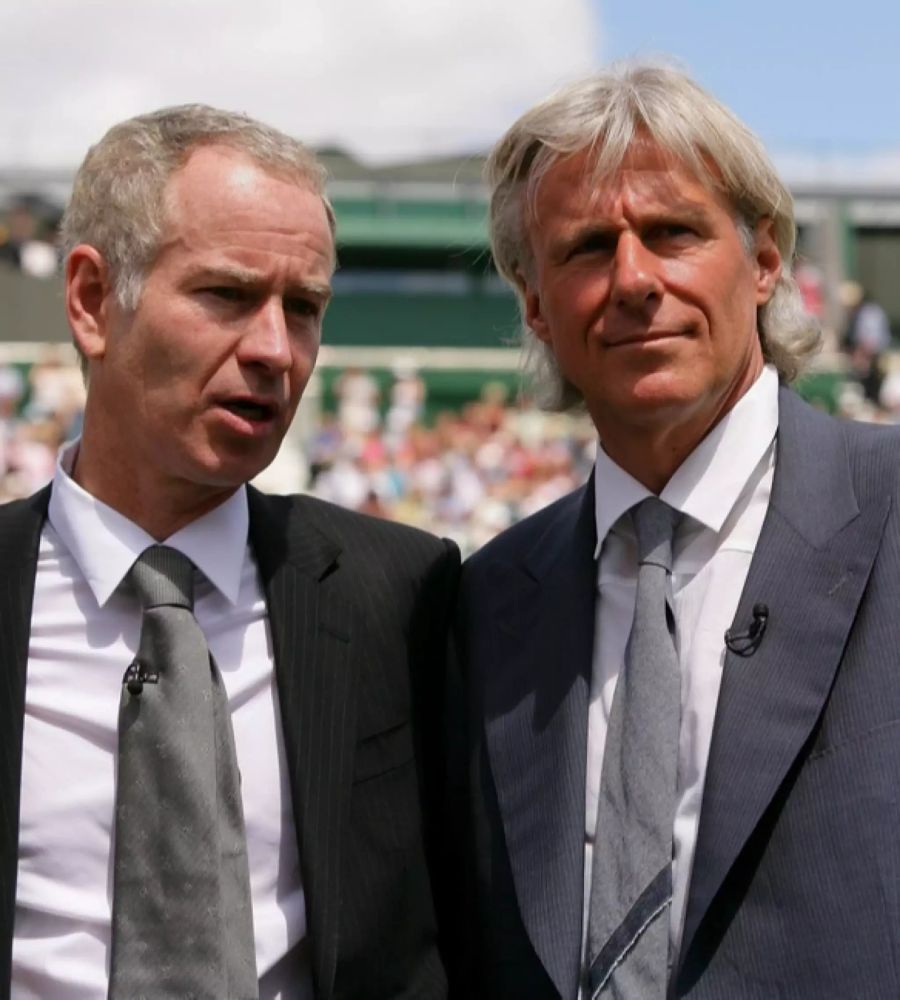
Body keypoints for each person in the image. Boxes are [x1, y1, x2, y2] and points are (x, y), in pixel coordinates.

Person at [450, 62, 900, 998]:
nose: (633, 280)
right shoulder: (484, 600)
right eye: (583, 248)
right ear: (534, 303)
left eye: (673, 233)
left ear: (766, 260)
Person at [0, 105, 459, 999]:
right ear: (93, 301)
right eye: (227, 295)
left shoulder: (400, 594)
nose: (274, 350)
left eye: (305, 308)